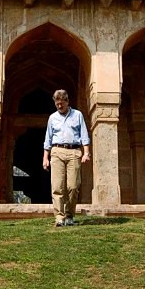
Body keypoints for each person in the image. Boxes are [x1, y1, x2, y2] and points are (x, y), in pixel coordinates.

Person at [42, 89, 91, 227]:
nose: (59, 106)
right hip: (56, 151)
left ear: (67, 101)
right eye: (57, 104)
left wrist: (86, 152)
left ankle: (69, 215)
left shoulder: (77, 115)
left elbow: (84, 134)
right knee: (57, 186)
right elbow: (48, 138)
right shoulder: (52, 118)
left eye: (61, 104)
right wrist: (45, 158)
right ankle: (59, 217)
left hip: (74, 151)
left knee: (73, 186)